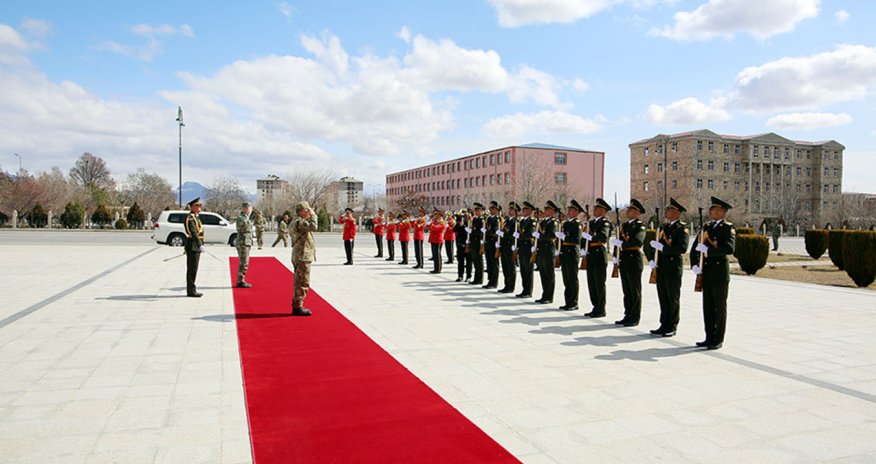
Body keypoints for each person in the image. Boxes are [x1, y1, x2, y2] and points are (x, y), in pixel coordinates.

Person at [690, 197, 736, 350]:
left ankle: (718, 338)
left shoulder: (727, 228)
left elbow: (729, 249)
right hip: (706, 272)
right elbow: (695, 248)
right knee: (708, 307)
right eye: (711, 210)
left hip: (719, 273)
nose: (712, 212)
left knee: (719, 307)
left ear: (723, 212)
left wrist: (709, 250)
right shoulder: (706, 227)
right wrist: (695, 265)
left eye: (716, 210)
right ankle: (708, 336)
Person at [649, 198, 690, 337]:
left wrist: (663, 248)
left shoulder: (682, 228)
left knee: (672, 297)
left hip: (673, 267)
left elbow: (682, 248)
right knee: (663, 297)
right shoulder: (664, 227)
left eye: (669, 210)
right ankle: (664, 323)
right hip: (661, 266)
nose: (666, 212)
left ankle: (672, 325)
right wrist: (653, 259)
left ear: (677, 213)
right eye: (666, 210)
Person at [613, 199, 647, 327]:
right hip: (624, 259)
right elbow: (619, 240)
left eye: (631, 210)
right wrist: (617, 255)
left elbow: (637, 241)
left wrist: (622, 244)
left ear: (637, 212)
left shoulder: (640, 226)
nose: (628, 211)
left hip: (634, 259)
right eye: (628, 209)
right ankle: (627, 314)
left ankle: (635, 316)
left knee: (634, 290)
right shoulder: (624, 226)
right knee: (626, 290)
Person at [583, 198, 613, 318]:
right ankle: (595, 306)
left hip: (599, 253)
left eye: (597, 208)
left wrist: (591, 238)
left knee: (599, 283)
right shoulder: (592, 222)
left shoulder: (604, 223)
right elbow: (584, 237)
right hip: (590, 254)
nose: (594, 210)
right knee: (592, 282)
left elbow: (603, 236)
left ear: (603, 211)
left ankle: (601, 309)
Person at [289, 201, 318, 316]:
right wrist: (314, 215)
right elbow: (314, 226)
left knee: (299, 281)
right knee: (303, 282)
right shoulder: (299, 222)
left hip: (299, 254)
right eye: (307, 210)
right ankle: (298, 306)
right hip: (302, 256)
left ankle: (297, 304)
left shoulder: (296, 221)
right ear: (302, 211)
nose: (308, 212)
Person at [558, 200, 584, 310]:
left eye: (571, 210)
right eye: (568, 210)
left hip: (572, 253)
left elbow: (577, 239)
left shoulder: (577, 224)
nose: (568, 211)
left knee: (572, 279)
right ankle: (568, 301)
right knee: (566, 279)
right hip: (565, 253)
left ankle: (573, 302)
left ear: (577, 212)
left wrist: (564, 237)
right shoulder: (567, 223)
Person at [535, 201, 559, 304]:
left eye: (546, 209)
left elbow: (552, 235)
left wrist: (540, 237)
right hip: (541, 250)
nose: (544, 211)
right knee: (543, 274)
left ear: (552, 211)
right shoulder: (543, 222)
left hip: (549, 249)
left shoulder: (554, 222)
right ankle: (544, 294)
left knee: (549, 274)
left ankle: (549, 296)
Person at [515, 202, 536, 299]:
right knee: (523, 270)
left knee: (528, 270)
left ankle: (528, 291)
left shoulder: (532, 221)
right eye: (523, 209)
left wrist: (520, 236)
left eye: (525, 209)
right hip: (522, 247)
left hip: (528, 247)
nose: (523, 211)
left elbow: (530, 234)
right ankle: (524, 289)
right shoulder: (523, 221)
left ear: (530, 211)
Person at [184, 197, 204, 298]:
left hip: (195, 245)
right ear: (192, 207)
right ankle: (191, 291)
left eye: (200, 205)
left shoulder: (196, 217)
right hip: (193, 245)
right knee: (192, 269)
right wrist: (199, 244)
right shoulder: (190, 218)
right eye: (198, 205)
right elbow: (193, 233)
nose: (200, 207)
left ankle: (192, 289)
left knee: (194, 269)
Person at [498, 202, 519, 294]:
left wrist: (504, 234)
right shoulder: (506, 221)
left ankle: (511, 286)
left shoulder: (516, 221)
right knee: (505, 267)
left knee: (511, 267)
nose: (510, 211)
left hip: (511, 246)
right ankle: (506, 285)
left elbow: (513, 234)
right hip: (504, 246)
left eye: (512, 209)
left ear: (515, 211)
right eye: (509, 209)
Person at [234, 202, 254, 288]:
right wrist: (250, 220)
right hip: (243, 242)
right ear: (245, 208)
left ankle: (241, 279)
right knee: (244, 262)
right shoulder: (241, 218)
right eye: (250, 208)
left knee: (245, 262)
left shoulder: (246, 218)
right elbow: (244, 227)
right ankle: (240, 281)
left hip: (246, 242)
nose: (251, 210)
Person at [483, 201, 502, 289]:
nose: (491, 210)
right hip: (488, 243)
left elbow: (495, 231)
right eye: (490, 208)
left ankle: (494, 282)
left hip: (494, 243)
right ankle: (490, 280)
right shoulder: (489, 218)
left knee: (494, 263)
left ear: (497, 210)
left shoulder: (497, 219)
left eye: (493, 209)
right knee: (489, 262)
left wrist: (486, 231)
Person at [468, 203, 486, 285]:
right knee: (475, 261)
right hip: (473, 242)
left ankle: (480, 279)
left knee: (479, 261)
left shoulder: (482, 220)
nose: (476, 211)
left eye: (477, 210)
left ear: (481, 210)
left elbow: (480, 232)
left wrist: (472, 231)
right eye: (475, 210)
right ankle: (476, 278)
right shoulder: (474, 219)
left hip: (479, 242)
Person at [453, 209, 471, 282]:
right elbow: (453, 230)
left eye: (465, 215)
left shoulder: (469, 223)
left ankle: (468, 276)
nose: (464, 216)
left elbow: (469, 232)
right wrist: (458, 224)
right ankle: (460, 276)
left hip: (467, 245)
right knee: (460, 262)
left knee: (468, 262)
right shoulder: (459, 223)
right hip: (460, 245)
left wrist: (464, 226)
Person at [428, 208, 446, 274]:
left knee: (437, 255)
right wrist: (430, 223)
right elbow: (429, 228)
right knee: (434, 255)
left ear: (439, 214)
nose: (435, 215)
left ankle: (438, 269)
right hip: (433, 239)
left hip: (438, 239)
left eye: (436, 214)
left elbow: (436, 229)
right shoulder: (435, 221)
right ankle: (435, 268)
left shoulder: (441, 221)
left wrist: (431, 224)